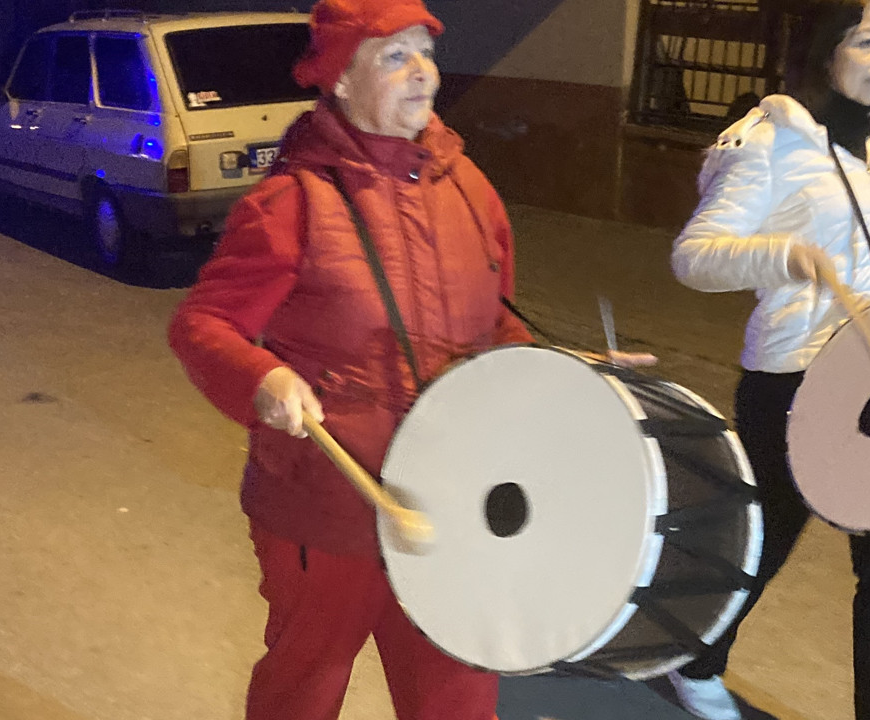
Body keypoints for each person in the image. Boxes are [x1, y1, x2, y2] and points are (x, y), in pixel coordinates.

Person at [168, 1, 653, 717]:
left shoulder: (471, 190)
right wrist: (262, 377)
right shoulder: (290, 204)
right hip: (327, 506)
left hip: (453, 500)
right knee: (306, 685)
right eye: (395, 56)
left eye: (425, 52)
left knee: (456, 696)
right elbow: (202, 324)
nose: (421, 72)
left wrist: (567, 373)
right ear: (340, 79)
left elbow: (495, 331)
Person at [667, 2, 870, 719]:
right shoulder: (769, 141)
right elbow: (694, 256)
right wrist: (783, 255)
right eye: (867, 41)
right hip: (794, 380)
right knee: (767, 537)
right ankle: (697, 656)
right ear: (825, 49)